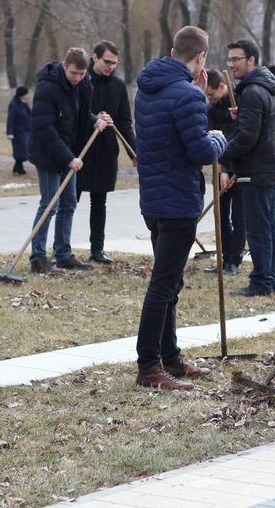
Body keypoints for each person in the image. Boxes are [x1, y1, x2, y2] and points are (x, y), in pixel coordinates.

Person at [134, 25, 227, 390]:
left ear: (174, 51)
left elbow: (172, 134)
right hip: (178, 203)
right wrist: (219, 134)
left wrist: (197, 98)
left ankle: (170, 357)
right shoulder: (187, 95)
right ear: (201, 57)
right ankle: (148, 367)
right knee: (163, 285)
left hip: (154, 202)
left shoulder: (147, 89)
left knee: (170, 282)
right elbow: (201, 150)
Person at [28, 47, 112, 274]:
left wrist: (95, 120)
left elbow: (80, 115)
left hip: (70, 154)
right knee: (49, 204)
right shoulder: (47, 88)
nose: (77, 78)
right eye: (73, 73)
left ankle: (63, 253)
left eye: (81, 74)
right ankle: (37, 257)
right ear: (65, 66)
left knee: (69, 203)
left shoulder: (84, 85)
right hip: (48, 153)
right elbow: (43, 128)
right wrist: (68, 158)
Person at [221, 38, 275, 297]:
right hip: (268, 166)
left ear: (252, 61)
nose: (231, 64)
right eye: (230, 59)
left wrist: (222, 155)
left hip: (256, 169)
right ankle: (269, 278)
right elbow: (257, 127)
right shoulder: (266, 88)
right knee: (268, 226)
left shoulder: (251, 92)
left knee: (258, 229)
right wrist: (243, 117)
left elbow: (248, 137)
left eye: (237, 59)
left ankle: (261, 282)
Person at [76, 40, 136, 265]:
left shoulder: (119, 86)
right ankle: (62, 248)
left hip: (106, 152)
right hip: (82, 150)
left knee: (99, 202)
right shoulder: (83, 80)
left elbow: (125, 122)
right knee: (70, 201)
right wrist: (94, 118)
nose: (111, 66)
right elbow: (78, 114)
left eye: (114, 63)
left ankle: (97, 249)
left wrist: (134, 152)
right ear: (95, 57)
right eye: (107, 61)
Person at [204, 68, 244, 276]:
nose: (209, 98)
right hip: (219, 166)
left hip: (239, 167)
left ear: (222, 86)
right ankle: (224, 257)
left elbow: (237, 136)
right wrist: (220, 169)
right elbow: (212, 139)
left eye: (211, 94)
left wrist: (228, 170)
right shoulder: (210, 110)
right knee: (221, 215)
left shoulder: (238, 102)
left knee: (239, 217)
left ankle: (234, 261)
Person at [6, 86, 31, 175]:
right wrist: (9, 132)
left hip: (25, 131)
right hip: (17, 132)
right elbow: (10, 119)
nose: (28, 95)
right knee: (20, 150)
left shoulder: (24, 104)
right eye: (26, 93)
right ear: (22, 94)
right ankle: (18, 169)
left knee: (24, 150)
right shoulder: (13, 104)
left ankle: (19, 168)